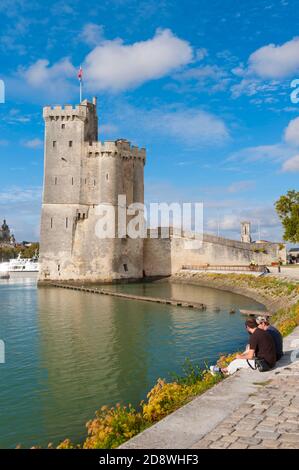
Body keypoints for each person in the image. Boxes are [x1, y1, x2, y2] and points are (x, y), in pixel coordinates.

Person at [210, 318, 276, 376]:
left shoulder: (254, 336)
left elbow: (250, 356)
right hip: (272, 362)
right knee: (239, 361)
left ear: (247, 327)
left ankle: (223, 371)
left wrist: (240, 357)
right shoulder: (263, 331)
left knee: (236, 362)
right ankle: (223, 370)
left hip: (264, 364)